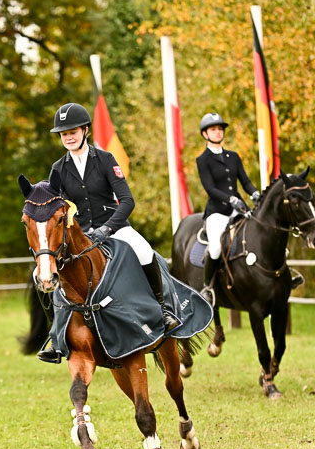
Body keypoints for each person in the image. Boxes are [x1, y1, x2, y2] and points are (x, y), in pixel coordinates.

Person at [37, 102, 179, 363]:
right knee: (46, 270)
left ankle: (163, 310)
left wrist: (107, 228)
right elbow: (57, 207)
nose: (68, 137)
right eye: (63, 133)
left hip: (114, 228)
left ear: (86, 131)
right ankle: (55, 335)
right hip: (80, 235)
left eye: (73, 131)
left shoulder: (105, 159)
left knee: (145, 252)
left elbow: (127, 201)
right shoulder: (58, 168)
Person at [196, 112, 260, 304]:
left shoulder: (233, 156)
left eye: (220, 129)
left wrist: (255, 194)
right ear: (205, 134)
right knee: (215, 248)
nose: (217, 132)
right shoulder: (203, 160)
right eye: (213, 129)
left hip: (239, 208)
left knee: (261, 232)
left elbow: (245, 181)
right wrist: (231, 199)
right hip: (217, 211)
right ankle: (207, 287)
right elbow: (210, 188)